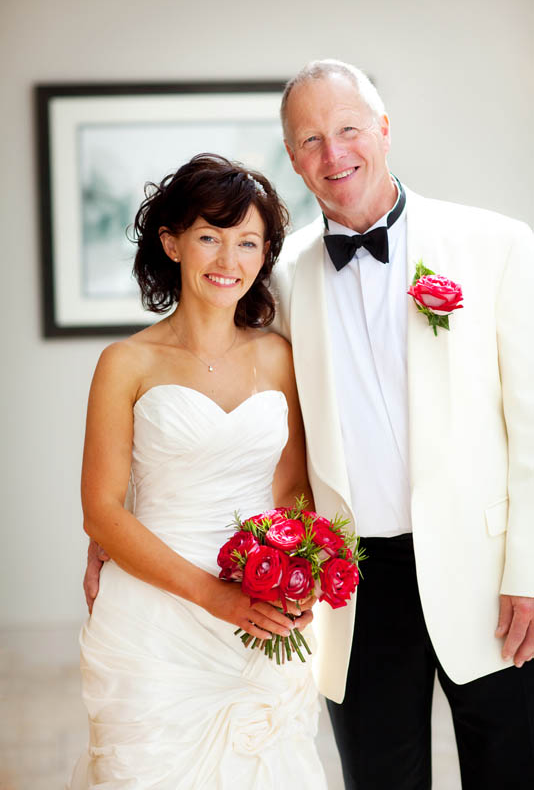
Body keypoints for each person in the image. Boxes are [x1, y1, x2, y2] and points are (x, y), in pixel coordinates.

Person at [270, 59, 534, 789]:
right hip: (357, 588)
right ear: (294, 158)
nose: (334, 154)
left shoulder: (496, 245)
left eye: (349, 129)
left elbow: (531, 426)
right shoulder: (283, 278)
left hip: (490, 579)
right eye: (311, 139)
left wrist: (530, 570)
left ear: (384, 130)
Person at [70, 153, 327, 789]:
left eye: (247, 243)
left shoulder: (279, 358)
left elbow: (292, 491)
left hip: (258, 610)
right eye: (210, 237)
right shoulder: (125, 363)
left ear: (264, 255)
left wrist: (299, 575)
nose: (227, 260)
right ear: (172, 242)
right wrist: (213, 595)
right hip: (156, 619)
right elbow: (101, 510)